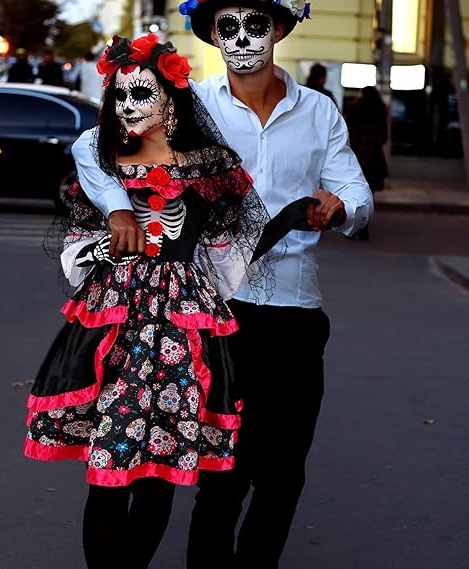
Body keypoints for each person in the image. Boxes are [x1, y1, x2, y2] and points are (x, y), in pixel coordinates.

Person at [71, 1, 374, 567]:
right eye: (226, 26)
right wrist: (118, 209)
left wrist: (340, 208)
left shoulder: (319, 111)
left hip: (294, 308)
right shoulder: (190, 105)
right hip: (214, 312)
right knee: (223, 473)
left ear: (278, 29)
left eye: (254, 24)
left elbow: (357, 193)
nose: (240, 38)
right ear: (211, 34)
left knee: (284, 471)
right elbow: (96, 146)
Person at [23, 35, 315, 569]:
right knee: (107, 475)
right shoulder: (103, 161)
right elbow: (74, 258)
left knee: (159, 477)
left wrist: (289, 218)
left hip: (181, 337)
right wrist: (112, 235)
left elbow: (228, 264)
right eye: (118, 95)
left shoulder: (210, 168)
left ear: (172, 101)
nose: (127, 105)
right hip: (114, 332)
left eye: (141, 93)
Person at [344, 85, 389, 240]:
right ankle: (363, 227)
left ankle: (350, 226)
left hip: (356, 156)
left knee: (351, 192)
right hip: (373, 158)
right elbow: (384, 138)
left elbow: (347, 132)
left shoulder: (353, 109)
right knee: (368, 193)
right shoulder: (380, 112)